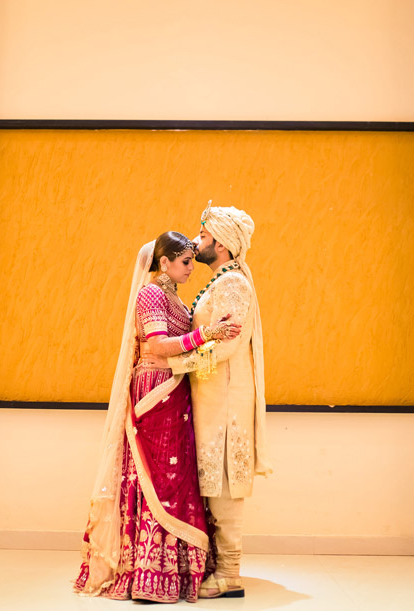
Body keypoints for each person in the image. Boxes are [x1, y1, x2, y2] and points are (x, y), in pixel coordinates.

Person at [74, 231, 241, 603]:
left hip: (174, 389)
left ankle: (174, 571)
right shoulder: (151, 293)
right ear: (164, 262)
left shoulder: (174, 297)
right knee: (158, 476)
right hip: (155, 389)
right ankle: (148, 572)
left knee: (177, 478)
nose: (190, 268)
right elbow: (158, 345)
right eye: (185, 262)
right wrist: (208, 333)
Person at [156, 204, 270, 599]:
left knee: (224, 484)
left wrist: (174, 364)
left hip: (225, 398)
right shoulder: (221, 281)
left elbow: (226, 346)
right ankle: (218, 566)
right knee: (212, 482)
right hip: (210, 396)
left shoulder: (233, 283)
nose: (196, 242)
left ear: (220, 244)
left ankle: (230, 573)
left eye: (203, 236)